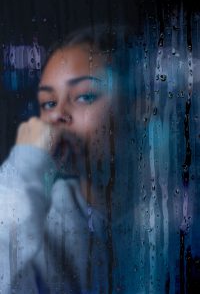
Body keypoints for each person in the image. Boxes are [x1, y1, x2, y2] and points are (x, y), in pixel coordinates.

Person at [0, 25, 139, 293]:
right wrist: (25, 164)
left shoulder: (176, 216)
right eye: (48, 103)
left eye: (84, 97)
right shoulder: (35, 221)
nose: (57, 116)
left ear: (135, 108)